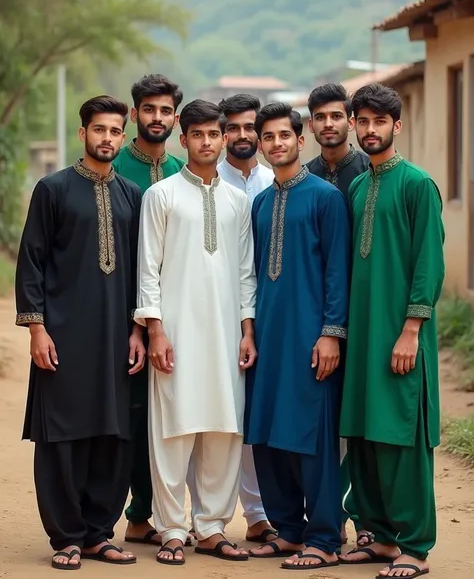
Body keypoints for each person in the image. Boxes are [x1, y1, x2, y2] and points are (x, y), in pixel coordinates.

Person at [15, 96, 145, 570]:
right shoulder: (52, 189)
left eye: (114, 131)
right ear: (83, 134)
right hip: (64, 336)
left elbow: (141, 270)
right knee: (64, 437)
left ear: (122, 136)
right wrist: (37, 329)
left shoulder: (133, 195)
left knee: (113, 434)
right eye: (99, 130)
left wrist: (138, 329)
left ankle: (97, 534)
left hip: (117, 336)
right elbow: (32, 260)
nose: (106, 138)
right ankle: (66, 536)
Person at [134, 99, 257, 566]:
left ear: (224, 139)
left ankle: (211, 527)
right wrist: (156, 332)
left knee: (224, 428)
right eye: (198, 135)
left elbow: (246, 272)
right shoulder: (161, 195)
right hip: (176, 333)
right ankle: (171, 528)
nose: (207, 142)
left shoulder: (238, 202)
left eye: (214, 135)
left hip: (227, 332)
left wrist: (247, 331)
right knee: (172, 428)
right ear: (182, 140)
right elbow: (148, 269)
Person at [339, 84, 445, 579]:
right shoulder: (359, 186)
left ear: (396, 127)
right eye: (362, 121)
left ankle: (415, 545)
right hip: (361, 335)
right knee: (363, 432)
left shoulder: (417, 184)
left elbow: (429, 263)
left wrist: (411, 329)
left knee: (401, 433)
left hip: (398, 333)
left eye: (379, 121)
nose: (369, 130)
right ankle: (379, 536)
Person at [246, 102, 350, 570]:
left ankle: (324, 536)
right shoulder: (261, 202)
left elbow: (337, 272)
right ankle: (288, 530)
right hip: (269, 337)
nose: (275, 144)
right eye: (267, 138)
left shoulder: (325, 197)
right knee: (268, 433)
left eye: (283, 136)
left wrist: (331, 333)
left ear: (299, 138)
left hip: (311, 338)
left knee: (312, 435)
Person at [185, 93, 275, 545]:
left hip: (266, 315)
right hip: (208, 320)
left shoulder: (276, 179)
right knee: (206, 416)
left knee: (250, 417)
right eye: (232, 128)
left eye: (249, 127)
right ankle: (203, 518)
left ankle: (259, 512)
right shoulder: (201, 180)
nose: (241, 136)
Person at [113, 73, 185, 549]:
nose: (156, 118)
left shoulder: (183, 169)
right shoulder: (113, 165)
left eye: (165, 111)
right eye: (148, 109)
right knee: (131, 418)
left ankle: (167, 515)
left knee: (171, 419)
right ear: (134, 114)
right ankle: (135, 515)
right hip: (117, 316)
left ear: (175, 118)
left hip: (172, 318)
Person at [306, 83, 371, 548]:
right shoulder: (302, 176)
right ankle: (329, 516)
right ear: (310, 125)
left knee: (363, 423)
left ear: (348, 120)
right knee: (323, 424)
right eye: (320, 117)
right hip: (317, 323)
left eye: (336, 116)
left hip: (368, 317)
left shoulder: (370, 172)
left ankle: (368, 516)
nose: (328, 124)